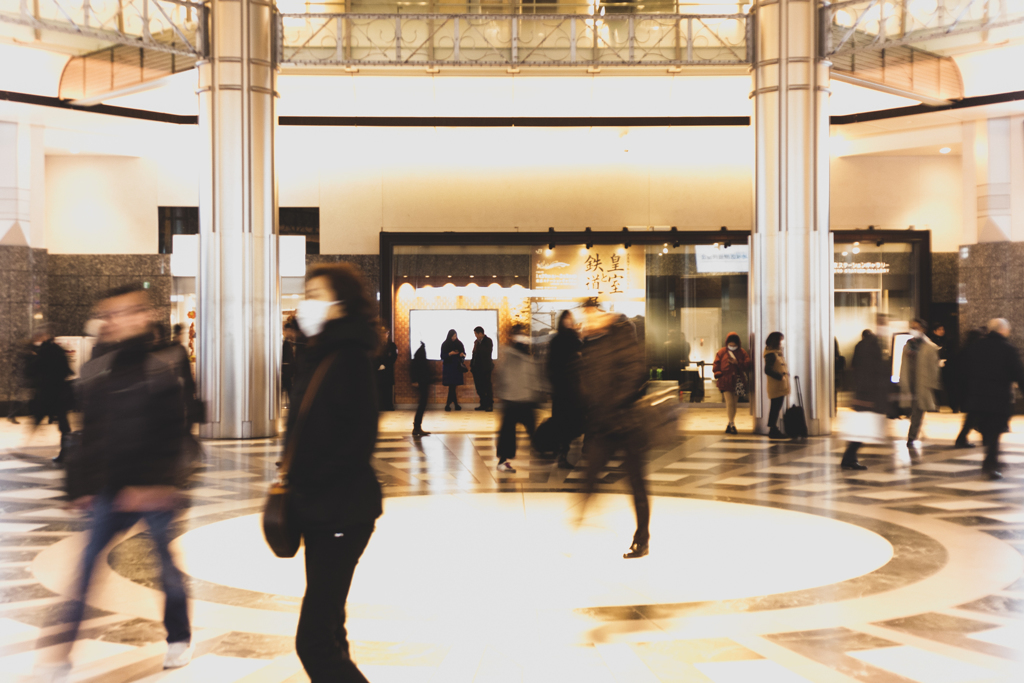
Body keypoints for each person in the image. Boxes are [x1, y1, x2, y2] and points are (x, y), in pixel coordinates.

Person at [36, 284, 192, 683]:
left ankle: (179, 635)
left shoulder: (163, 368)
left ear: (144, 315)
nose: (113, 321)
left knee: (167, 571)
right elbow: (89, 436)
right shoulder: (96, 369)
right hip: (109, 490)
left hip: (152, 492)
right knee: (85, 570)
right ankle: (58, 658)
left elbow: (176, 435)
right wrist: (79, 488)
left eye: (123, 312)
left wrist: (159, 485)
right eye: (108, 315)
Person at [288, 263, 382, 683]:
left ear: (341, 304)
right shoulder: (320, 354)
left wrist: (309, 484)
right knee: (329, 627)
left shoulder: (347, 360)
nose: (306, 303)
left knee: (313, 641)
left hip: (339, 511)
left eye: (316, 294)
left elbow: (355, 442)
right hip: (322, 510)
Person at [578, 300, 650, 559]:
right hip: (604, 423)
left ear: (605, 317)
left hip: (628, 423)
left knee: (636, 483)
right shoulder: (592, 345)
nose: (587, 321)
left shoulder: (623, 336)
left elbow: (635, 376)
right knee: (590, 474)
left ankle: (642, 538)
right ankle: (578, 523)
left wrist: (611, 403)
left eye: (592, 315)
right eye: (585, 317)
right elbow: (590, 382)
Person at [964, 318, 1024, 480]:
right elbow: (1018, 374)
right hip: (999, 399)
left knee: (987, 431)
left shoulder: (975, 347)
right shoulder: (1008, 349)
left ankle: (990, 461)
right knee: (995, 432)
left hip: (978, 398)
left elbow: (965, 371)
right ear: (1002, 330)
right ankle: (991, 464)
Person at [494, 325, 544, 473]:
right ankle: (503, 461)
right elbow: (504, 377)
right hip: (516, 400)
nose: (524, 339)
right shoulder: (513, 355)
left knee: (521, 431)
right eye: (521, 336)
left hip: (520, 400)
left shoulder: (520, 355)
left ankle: (542, 453)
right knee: (511, 433)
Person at [25, 325, 73, 464]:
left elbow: (31, 370)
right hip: (60, 392)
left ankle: (28, 441)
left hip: (46, 392)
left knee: (38, 416)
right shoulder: (58, 350)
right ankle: (65, 451)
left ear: (42, 337)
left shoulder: (42, 351)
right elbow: (66, 370)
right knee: (63, 424)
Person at [841, 329, 888, 470]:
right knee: (863, 428)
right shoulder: (871, 347)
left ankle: (849, 458)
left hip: (862, 394)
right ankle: (849, 458)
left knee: (861, 428)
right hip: (867, 396)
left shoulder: (860, 346)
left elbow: (856, 367)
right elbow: (874, 372)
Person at [547, 310, 584, 469]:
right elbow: (551, 364)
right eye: (567, 319)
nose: (569, 321)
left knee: (567, 420)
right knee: (564, 420)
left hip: (570, 387)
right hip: (564, 387)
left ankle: (561, 450)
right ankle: (560, 451)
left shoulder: (571, 338)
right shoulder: (563, 339)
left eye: (570, 318)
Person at [900, 318, 941, 449]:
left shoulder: (930, 347)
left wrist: (932, 383)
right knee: (911, 410)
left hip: (921, 383)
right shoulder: (908, 345)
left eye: (916, 327)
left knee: (917, 411)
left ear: (923, 329)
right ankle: (913, 434)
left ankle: (911, 437)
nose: (914, 330)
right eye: (912, 327)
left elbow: (934, 367)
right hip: (909, 381)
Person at [951, 327, 987, 448]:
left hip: (967, 390)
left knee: (975, 415)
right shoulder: (976, 352)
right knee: (975, 415)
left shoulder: (964, 351)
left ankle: (967, 438)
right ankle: (963, 439)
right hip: (974, 390)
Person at [713, 332, 750, 434]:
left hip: (738, 380)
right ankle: (732, 423)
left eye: (734, 345)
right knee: (729, 403)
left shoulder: (742, 352)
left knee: (734, 403)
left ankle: (730, 424)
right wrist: (720, 374)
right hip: (725, 381)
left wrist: (737, 362)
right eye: (730, 345)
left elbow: (747, 364)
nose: (732, 347)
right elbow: (716, 365)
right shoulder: (722, 352)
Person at [762, 332, 789, 440]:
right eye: (780, 340)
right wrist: (780, 377)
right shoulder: (771, 354)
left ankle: (773, 428)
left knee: (776, 407)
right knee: (775, 408)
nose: (782, 343)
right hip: (776, 385)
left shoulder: (777, 353)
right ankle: (773, 429)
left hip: (780, 385)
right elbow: (767, 369)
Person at [440, 329, 466, 411]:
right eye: (453, 336)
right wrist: (450, 354)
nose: (454, 338)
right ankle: (454, 405)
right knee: (452, 387)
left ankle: (450, 405)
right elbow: (442, 356)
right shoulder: (445, 344)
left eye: (455, 336)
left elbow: (464, 354)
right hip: (448, 367)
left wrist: (462, 355)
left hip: (456, 367)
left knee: (452, 387)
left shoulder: (459, 343)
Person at [410, 341, 432, 437]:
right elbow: (420, 368)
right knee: (422, 404)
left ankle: (417, 427)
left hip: (422, 382)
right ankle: (417, 427)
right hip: (422, 382)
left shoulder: (419, 353)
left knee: (422, 404)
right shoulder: (421, 354)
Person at [471, 326, 494, 412]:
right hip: (476, 368)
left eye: (476, 334)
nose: (475, 336)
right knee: (479, 387)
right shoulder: (476, 342)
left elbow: (487, 352)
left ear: (480, 333)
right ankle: (483, 404)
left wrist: (478, 346)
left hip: (485, 368)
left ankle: (489, 405)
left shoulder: (488, 341)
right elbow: (474, 354)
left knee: (487, 387)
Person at [376, 327, 398, 411]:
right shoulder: (376, 345)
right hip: (378, 371)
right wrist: (379, 365)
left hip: (388, 370)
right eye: (382, 333)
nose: (384, 335)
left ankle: (388, 406)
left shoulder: (392, 345)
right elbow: (373, 356)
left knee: (388, 389)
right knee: (379, 388)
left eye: (386, 333)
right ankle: (380, 406)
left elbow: (393, 357)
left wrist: (385, 364)